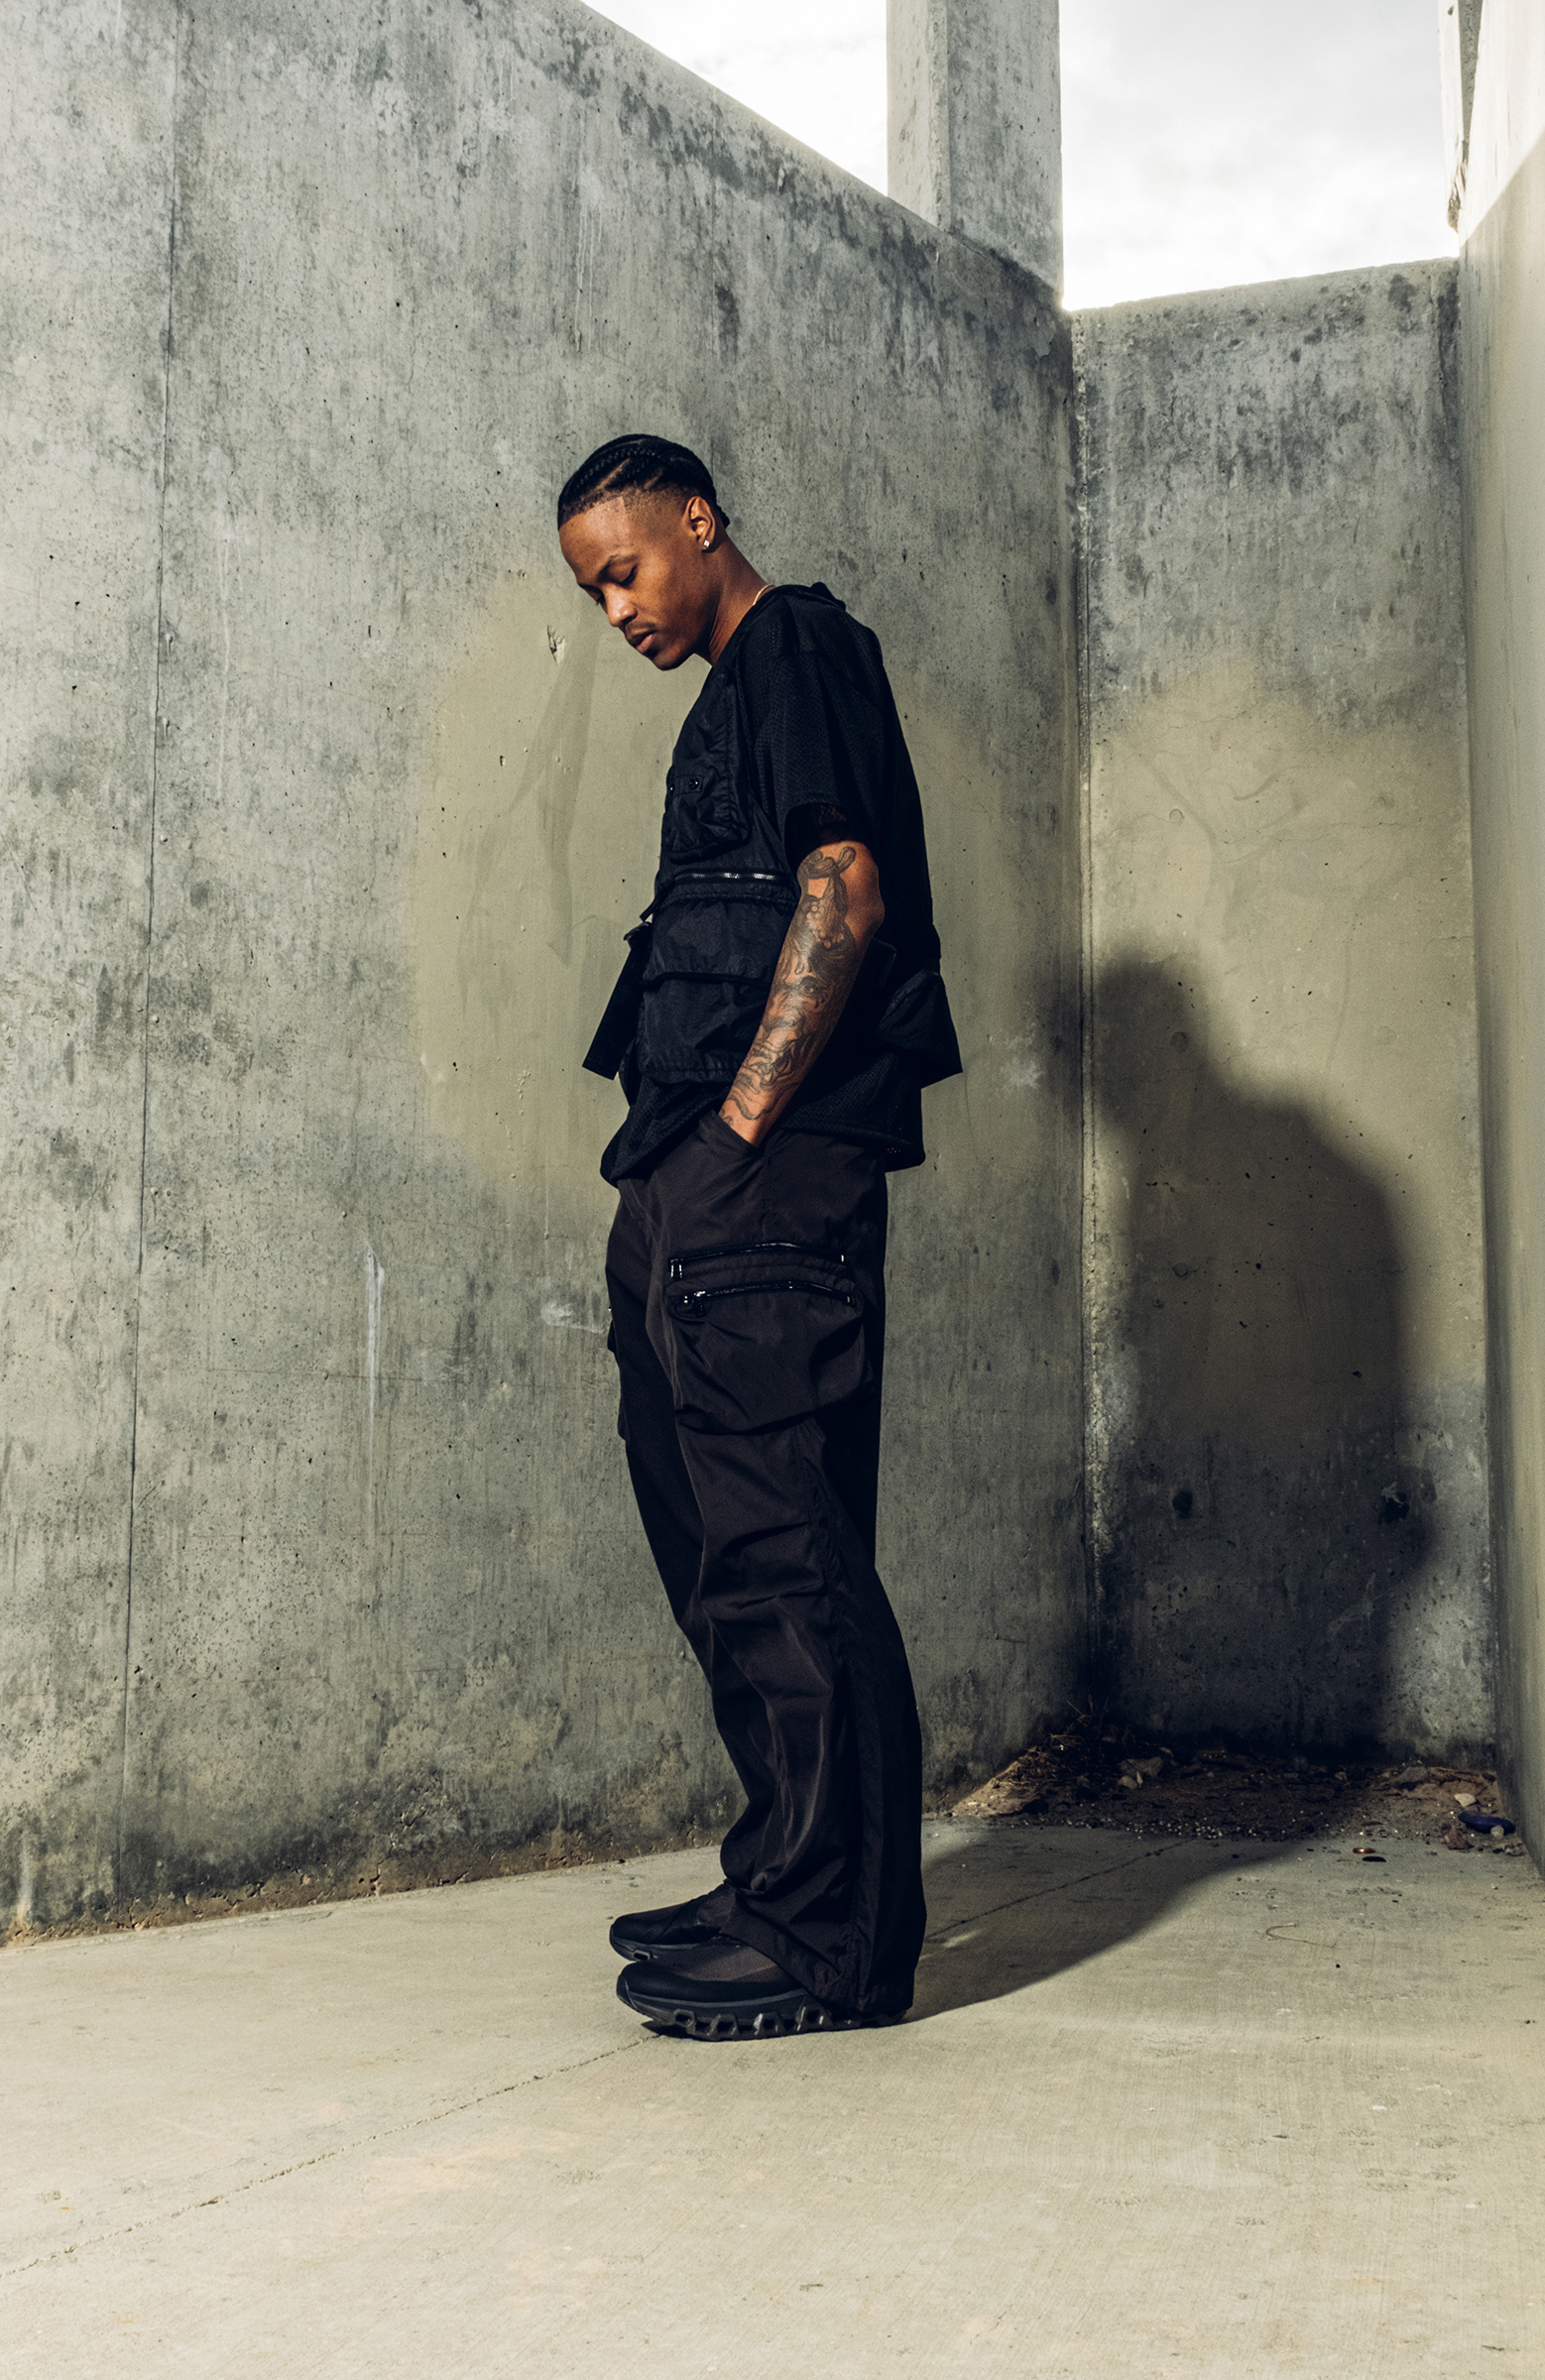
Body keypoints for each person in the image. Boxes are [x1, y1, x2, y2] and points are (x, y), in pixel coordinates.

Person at [555, 435, 961, 2040]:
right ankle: (783, 1869)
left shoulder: (798, 645)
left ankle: (831, 1941)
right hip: (690, 1180)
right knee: (720, 1550)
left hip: (762, 1175)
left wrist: (733, 1139)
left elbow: (842, 889)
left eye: (625, 570)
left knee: (785, 1545)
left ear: (698, 521)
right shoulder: (733, 694)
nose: (616, 610)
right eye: (593, 592)